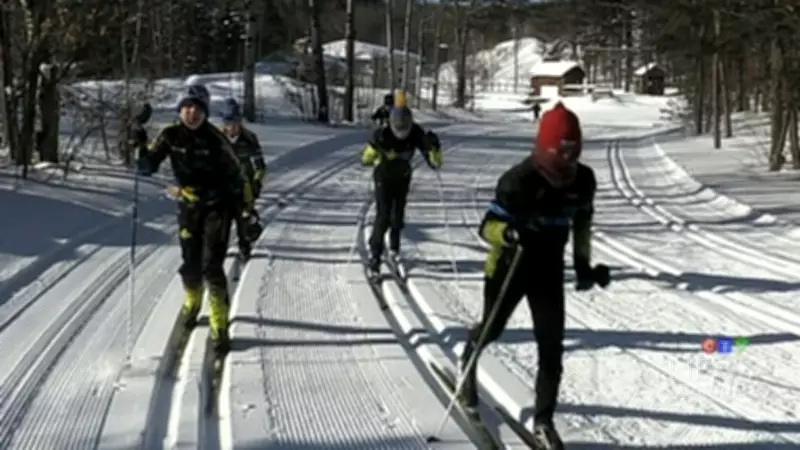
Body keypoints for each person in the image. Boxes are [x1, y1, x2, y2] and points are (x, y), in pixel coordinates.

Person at [458, 102, 610, 449]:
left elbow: (583, 224)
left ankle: (544, 420)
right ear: (546, 146)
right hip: (509, 266)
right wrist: (508, 234)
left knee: (551, 348)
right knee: (492, 328)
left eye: (575, 151)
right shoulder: (518, 180)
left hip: (548, 269)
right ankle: (469, 357)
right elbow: (487, 226)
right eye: (563, 151)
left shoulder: (583, 181)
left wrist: (583, 267)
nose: (569, 160)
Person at [136, 84, 254, 354]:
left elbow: (237, 177)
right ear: (180, 110)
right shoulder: (170, 135)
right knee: (190, 264)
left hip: (218, 207)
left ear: (205, 112)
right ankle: (192, 299)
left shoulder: (216, 139)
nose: (192, 114)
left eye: (198, 109)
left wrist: (245, 211)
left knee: (212, 264)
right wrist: (139, 141)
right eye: (187, 108)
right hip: (189, 206)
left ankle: (219, 319)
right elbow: (146, 168)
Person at [360, 91, 442, 276]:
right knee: (383, 216)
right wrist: (374, 149)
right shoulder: (383, 133)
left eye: (405, 127)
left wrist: (434, 147)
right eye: (398, 127)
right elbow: (365, 160)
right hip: (383, 177)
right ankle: (375, 255)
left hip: (403, 177)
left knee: (398, 215)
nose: (402, 131)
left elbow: (434, 163)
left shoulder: (416, 133)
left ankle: (395, 248)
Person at [220, 98, 266, 262]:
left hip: (245, 188)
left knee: (244, 222)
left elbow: (260, 166)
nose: (231, 127)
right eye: (228, 122)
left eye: (235, 122)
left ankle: (245, 247)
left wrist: (257, 182)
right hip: (223, 188)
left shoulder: (249, 139)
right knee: (221, 223)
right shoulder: (218, 140)